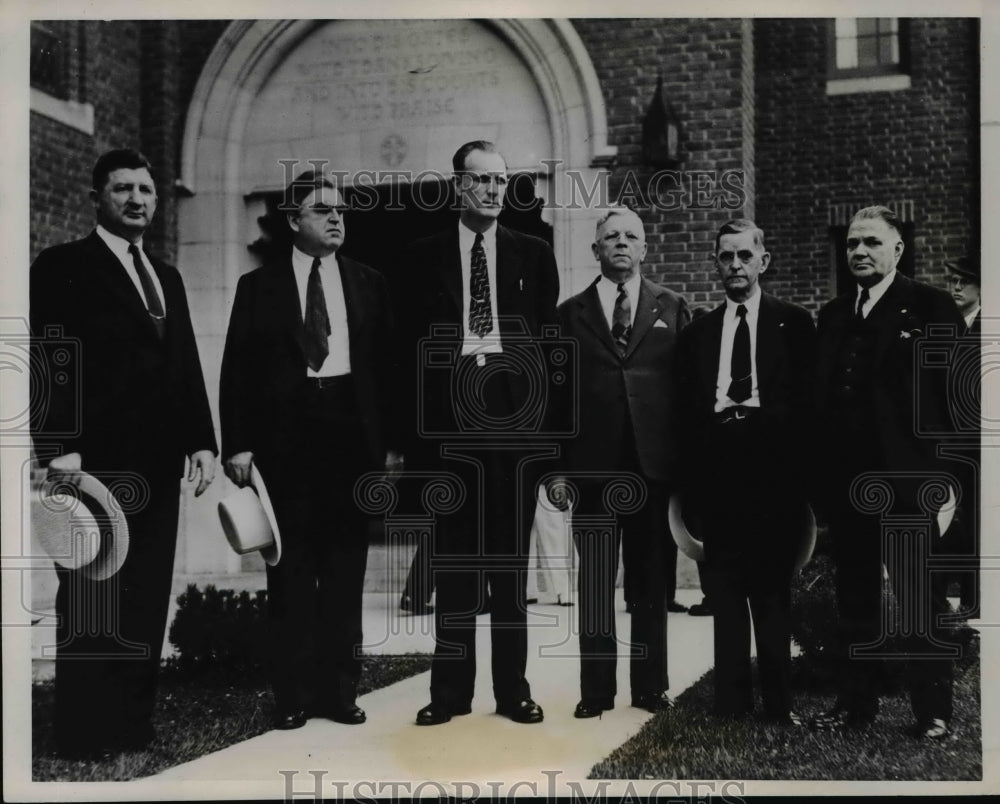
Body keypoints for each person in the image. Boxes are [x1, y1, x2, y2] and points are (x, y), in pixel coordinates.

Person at [30, 148, 217, 758]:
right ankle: (84, 732)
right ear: (96, 198)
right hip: (93, 467)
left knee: (145, 594)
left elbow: (185, 362)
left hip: (157, 466)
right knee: (91, 594)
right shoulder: (63, 266)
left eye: (145, 189)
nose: (137, 199)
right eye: (121, 189)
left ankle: (133, 724)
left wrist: (201, 441)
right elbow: (50, 358)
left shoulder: (167, 276)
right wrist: (59, 448)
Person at [220, 169, 398, 731]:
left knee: (346, 571)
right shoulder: (259, 288)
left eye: (340, 210)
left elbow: (389, 371)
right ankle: (292, 695)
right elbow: (237, 370)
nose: (336, 218)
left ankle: (340, 692)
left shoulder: (370, 282)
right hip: (285, 443)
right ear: (293, 220)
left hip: (351, 437)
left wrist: (392, 446)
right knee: (291, 571)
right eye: (322, 210)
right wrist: (239, 444)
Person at [393, 140, 559, 726]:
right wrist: (411, 443)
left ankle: (513, 692)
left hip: (512, 427)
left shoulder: (534, 253)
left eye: (499, 180)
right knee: (456, 568)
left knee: (510, 569)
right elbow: (404, 353)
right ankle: (449, 695)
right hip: (449, 427)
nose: (491, 190)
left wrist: (547, 447)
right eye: (480, 180)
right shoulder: (421, 256)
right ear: (458, 185)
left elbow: (545, 349)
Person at [810, 206, 965, 739]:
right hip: (848, 487)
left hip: (909, 485)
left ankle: (933, 712)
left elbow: (960, 403)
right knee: (855, 596)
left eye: (871, 242)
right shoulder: (831, 316)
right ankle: (853, 706)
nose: (858, 252)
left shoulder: (930, 307)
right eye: (851, 243)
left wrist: (948, 480)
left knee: (919, 597)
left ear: (898, 250)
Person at [675, 218, 815, 724]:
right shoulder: (696, 334)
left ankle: (779, 706)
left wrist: (801, 477)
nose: (735, 265)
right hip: (718, 474)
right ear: (716, 263)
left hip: (773, 472)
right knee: (725, 593)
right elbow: (685, 412)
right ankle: (731, 704)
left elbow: (809, 405)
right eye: (725, 257)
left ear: (763, 261)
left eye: (743, 256)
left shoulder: (795, 323)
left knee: (773, 592)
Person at [555, 206, 688, 718]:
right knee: (594, 586)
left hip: (654, 471)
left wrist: (686, 470)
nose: (621, 243)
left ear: (645, 248)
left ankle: (651, 687)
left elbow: (685, 391)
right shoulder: (570, 314)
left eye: (632, 236)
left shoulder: (672, 308)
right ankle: (596, 691)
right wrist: (559, 468)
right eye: (611, 236)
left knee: (651, 583)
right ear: (595, 249)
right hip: (593, 472)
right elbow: (556, 395)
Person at [941, 255, 981, 618]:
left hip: (981, 447)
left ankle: (974, 603)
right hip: (947, 445)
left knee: (978, 525)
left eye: (963, 282)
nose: (954, 288)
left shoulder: (988, 327)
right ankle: (942, 604)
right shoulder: (944, 327)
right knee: (946, 521)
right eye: (951, 280)